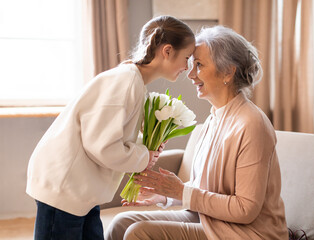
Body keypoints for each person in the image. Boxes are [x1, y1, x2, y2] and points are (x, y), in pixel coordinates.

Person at [105, 26, 288, 240]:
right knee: (121, 224)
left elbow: (245, 209)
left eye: (199, 65)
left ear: (228, 71)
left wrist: (180, 192)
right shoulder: (214, 119)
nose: (190, 74)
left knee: (140, 233)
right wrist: (164, 194)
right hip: (211, 219)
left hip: (249, 233)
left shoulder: (251, 124)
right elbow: (207, 189)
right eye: (192, 64)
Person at [26, 15, 195, 240]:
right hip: (66, 187)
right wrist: (144, 156)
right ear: (166, 51)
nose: (187, 67)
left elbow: (110, 135)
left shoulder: (132, 82)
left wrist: (145, 146)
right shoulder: (125, 82)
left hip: (82, 190)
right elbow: (102, 146)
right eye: (186, 57)